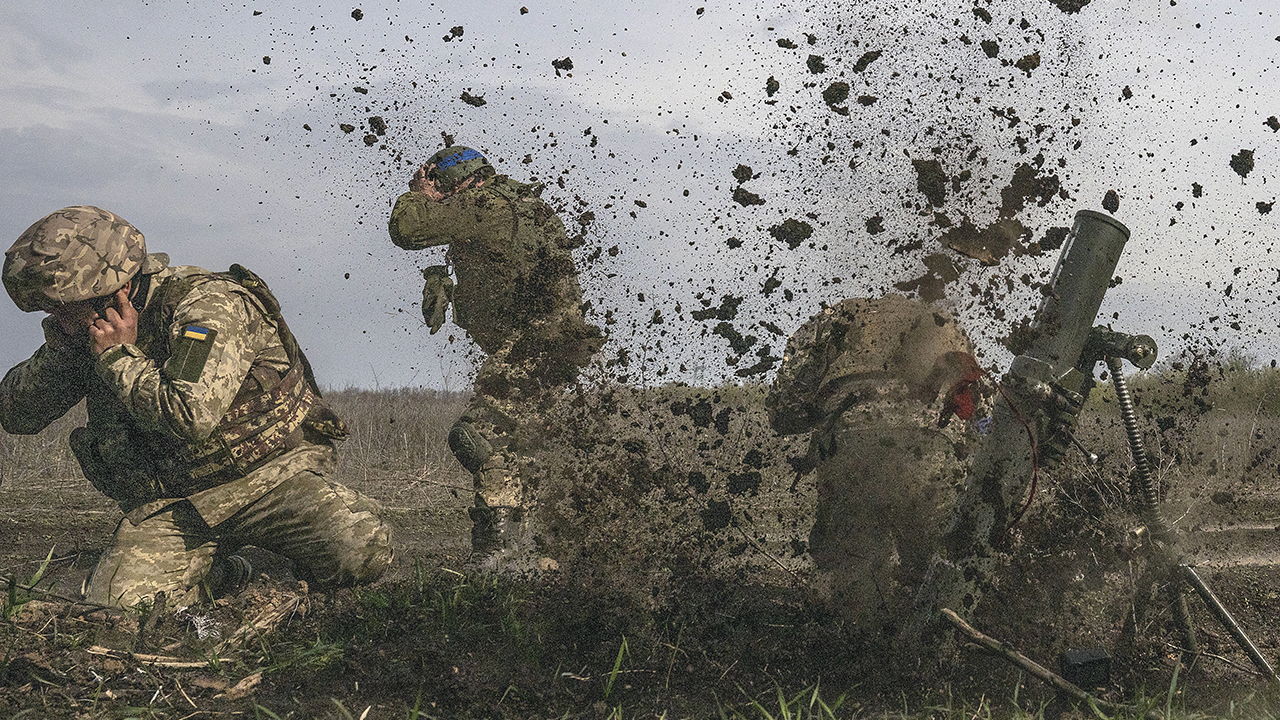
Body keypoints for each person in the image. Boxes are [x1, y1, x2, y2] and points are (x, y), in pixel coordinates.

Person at [0, 206, 393, 608]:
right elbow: (16, 415)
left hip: (268, 480)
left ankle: (277, 562)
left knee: (363, 550)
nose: (57, 318)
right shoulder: (88, 332)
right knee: (120, 606)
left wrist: (119, 357)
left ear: (110, 291)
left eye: (63, 307)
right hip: (176, 504)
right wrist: (67, 351)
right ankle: (231, 571)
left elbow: (190, 414)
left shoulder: (208, 305)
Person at [389, 145, 604, 569]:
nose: (443, 197)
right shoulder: (519, 204)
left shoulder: (485, 203)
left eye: (441, 186)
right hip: (552, 348)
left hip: (536, 347)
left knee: (477, 436)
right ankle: (542, 556)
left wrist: (418, 194)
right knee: (523, 450)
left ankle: (499, 553)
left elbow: (408, 230)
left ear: (457, 180)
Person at [766, 294, 986, 632]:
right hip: (934, 454)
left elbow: (784, 410)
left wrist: (819, 414)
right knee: (943, 569)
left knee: (857, 575)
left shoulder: (834, 319)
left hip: (852, 449)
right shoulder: (943, 322)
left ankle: (864, 662)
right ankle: (942, 659)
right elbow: (980, 416)